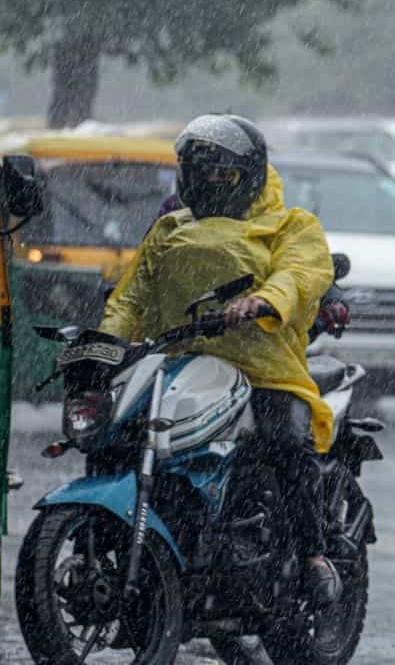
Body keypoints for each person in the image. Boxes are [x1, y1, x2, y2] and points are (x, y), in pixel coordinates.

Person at [99, 114, 343, 603]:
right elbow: (130, 299)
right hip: (177, 365)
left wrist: (261, 301)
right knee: (111, 438)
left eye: (218, 172)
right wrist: (103, 345)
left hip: (264, 370)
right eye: (197, 169)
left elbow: (299, 274)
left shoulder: (291, 226)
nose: (206, 180)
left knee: (285, 443)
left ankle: (314, 558)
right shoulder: (170, 227)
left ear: (246, 174)